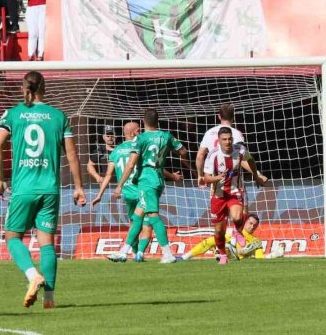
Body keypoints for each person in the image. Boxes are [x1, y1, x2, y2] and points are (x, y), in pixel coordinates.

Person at [0, 71, 86, 308]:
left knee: (12, 237)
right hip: (50, 189)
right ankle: (50, 299)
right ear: (45, 88)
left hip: (24, 187)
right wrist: (78, 187)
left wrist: (1, 180)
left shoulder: (12, 114)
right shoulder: (58, 116)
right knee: (47, 242)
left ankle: (33, 276)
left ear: (24, 87)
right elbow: (72, 154)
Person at [92, 121, 182, 262]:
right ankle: (135, 252)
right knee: (144, 222)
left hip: (134, 188)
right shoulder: (146, 142)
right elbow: (155, 162)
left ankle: (159, 253)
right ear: (135, 132)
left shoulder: (119, 149)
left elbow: (110, 173)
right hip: (143, 185)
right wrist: (173, 175)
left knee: (140, 219)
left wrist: (110, 189)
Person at [112, 107, 188, 264]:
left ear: (144, 121)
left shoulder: (141, 139)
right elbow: (183, 151)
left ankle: (168, 253)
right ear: (157, 121)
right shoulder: (166, 136)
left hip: (146, 180)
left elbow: (131, 163)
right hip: (158, 177)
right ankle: (124, 252)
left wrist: (120, 185)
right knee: (138, 215)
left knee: (153, 216)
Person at [200, 127, 267, 264]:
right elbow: (206, 178)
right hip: (218, 195)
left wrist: (256, 175)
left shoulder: (240, 151)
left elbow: (251, 161)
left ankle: (237, 231)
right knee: (219, 231)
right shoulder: (213, 155)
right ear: (219, 141)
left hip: (234, 191)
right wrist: (217, 177)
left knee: (237, 217)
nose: (228, 142)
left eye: (230, 139)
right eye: (224, 139)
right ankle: (223, 255)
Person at [179, 212, 282, 261]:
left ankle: (223, 253)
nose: (252, 226)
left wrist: (274, 255)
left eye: (255, 225)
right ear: (244, 222)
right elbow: (209, 242)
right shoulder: (232, 232)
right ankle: (184, 257)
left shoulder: (256, 241)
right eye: (250, 223)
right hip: (232, 251)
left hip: (238, 258)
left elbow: (260, 259)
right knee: (211, 240)